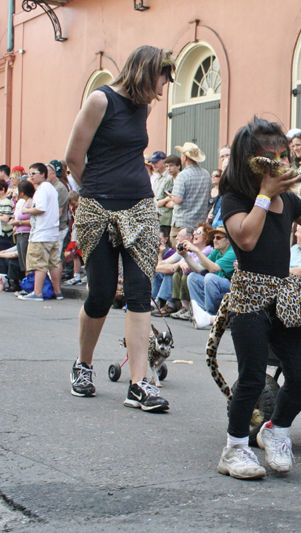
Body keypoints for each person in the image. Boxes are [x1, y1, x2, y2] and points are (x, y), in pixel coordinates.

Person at [217, 116, 301, 479]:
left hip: (282, 296)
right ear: (252, 159)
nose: (283, 162)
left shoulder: (286, 198)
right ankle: (234, 449)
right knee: (251, 377)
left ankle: (276, 431)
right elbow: (246, 239)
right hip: (249, 295)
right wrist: (264, 194)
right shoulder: (235, 196)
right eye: (273, 156)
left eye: (285, 154)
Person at [64, 45, 174, 411]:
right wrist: (98, 194)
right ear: (146, 71)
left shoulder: (142, 106)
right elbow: (73, 158)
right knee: (102, 293)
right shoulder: (101, 100)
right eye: (163, 80)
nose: (163, 90)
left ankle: (140, 384)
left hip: (141, 206)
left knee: (141, 292)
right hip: (99, 207)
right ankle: (83, 365)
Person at [18, 163, 63, 302]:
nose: (30, 176)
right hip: (52, 231)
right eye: (29, 174)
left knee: (39, 264)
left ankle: (37, 293)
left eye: (33, 173)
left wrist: (26, 210)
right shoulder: (51, 188)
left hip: (41, 232)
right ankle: (58, 291)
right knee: (54, 262)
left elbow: (41, 208)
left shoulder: (42, 189)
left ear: (42, 174)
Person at [188, 225, 237, 329]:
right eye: (214, 238)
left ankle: (211, 315)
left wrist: (197, 251)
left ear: (228, 240)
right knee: (193, 277)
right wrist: (185, 255)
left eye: (218, 238)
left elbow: (213, 268)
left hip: (234, 290)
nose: (214, 240)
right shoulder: (216, 251)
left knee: (210, 277)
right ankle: (200, 313)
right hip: (222, 288)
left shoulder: (232, 252)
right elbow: (197, 268)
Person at [170, 142, 212, 243]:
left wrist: (171, 196)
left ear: (185, 158)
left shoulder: (182, 175)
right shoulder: (206, 174)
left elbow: (178, 199)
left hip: (182, 222)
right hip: (199, 222)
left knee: (178, 248)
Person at [10, 180, 34, 276]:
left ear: (22, 192)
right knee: (23, 263)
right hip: (19, 234)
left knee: (27, 262)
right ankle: (27, 285)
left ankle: (30, 285)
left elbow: (33, 221)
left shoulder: (31, 203)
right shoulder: (24, 202)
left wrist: (19, 222)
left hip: (26, 234)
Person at [154, 155, 178, 241]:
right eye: (167, 166)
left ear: (178, 166)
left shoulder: (181, 179)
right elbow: (159, 203)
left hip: (177, 219)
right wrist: (168, 198)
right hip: (165, 219)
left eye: (171, 165)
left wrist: (169, 201)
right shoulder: (169, 181)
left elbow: (177, 203)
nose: (169, 168)